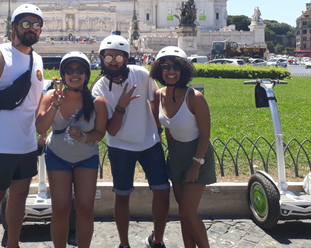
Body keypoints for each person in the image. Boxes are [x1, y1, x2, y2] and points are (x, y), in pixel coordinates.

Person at [0, 3, 45, 248]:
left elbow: (34, 103)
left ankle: (13, 244)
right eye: (26, 24)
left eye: (36, 25)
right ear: (13, 27)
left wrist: (40, 135)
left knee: (19, 199)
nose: (31, 29)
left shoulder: (38, 60)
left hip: (26, 145)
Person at [91, 35, 170, 248]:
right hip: (120, 146)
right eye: (108, 56)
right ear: (101, 58)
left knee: (162, 190)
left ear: (126, 58)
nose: (113, 61)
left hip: (149, 142)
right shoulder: (98, 89)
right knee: (122, 195)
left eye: (118, 56)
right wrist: (121, 106)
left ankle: (158, 239)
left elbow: (154, 101)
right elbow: (113, 130)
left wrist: (158, 129)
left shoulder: (141, 74)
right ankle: (124, 243)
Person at [36, 51, 108, 248]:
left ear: (86, 75)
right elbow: (40, 128)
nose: (74, 75)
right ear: (63, 74)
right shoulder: (51, 95)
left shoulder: (97, 102)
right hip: (58, 156)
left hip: (86, 157)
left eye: (80, 71)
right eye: (70, 70)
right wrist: (55, 106)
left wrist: (84, 136)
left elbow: (100, 133)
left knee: (85, 208)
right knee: (60, 208)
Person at [150, 46, 216, 248]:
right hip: (176, 155)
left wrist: (196, 163)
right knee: (183, 213)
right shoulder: (159, 94)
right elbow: (167, 127)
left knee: (188, 213)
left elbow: (205, 133)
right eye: (166, 67)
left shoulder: (195, 97)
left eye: (176, 66)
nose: (171, 71)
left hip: (198, 155)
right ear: (159, 70)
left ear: (184, 70)